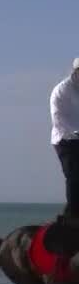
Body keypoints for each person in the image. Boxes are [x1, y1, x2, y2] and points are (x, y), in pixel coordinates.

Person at [44, 59, 79, 256]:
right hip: (65, 139)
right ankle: (71, 217)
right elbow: (58, 119)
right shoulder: (62, 90)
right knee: (74, 176)